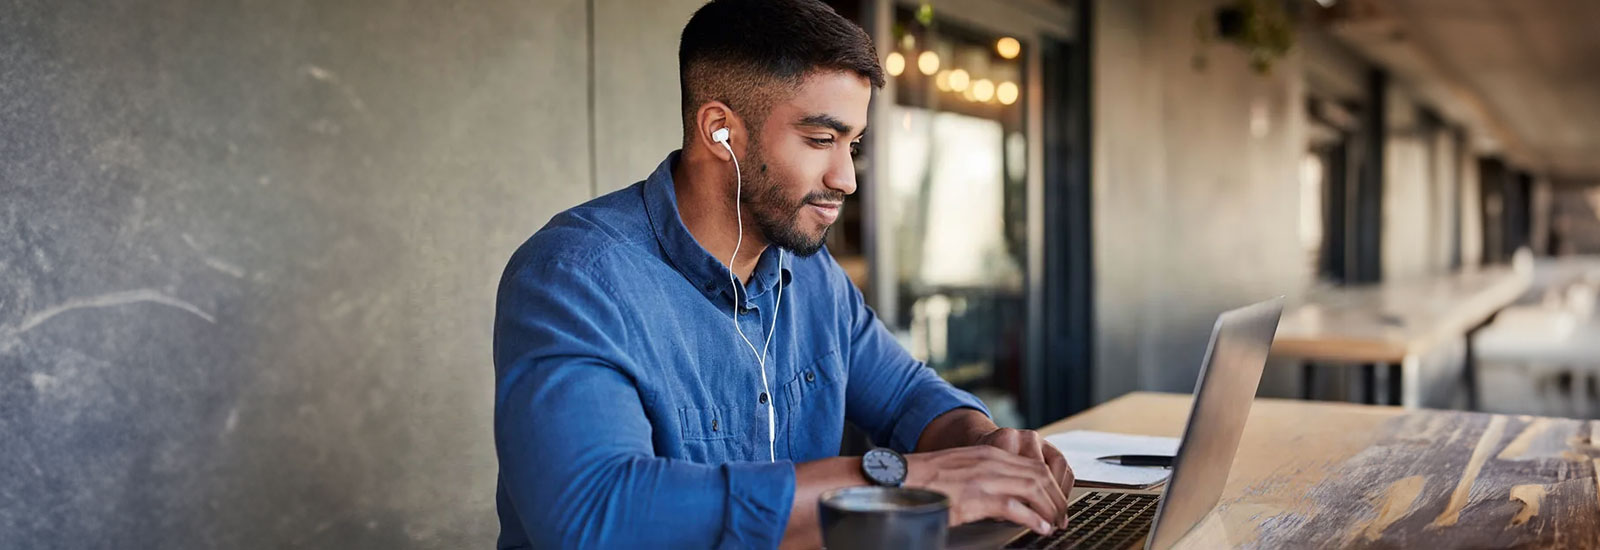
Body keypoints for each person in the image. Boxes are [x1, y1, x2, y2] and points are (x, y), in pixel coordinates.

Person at [492, 1, 1072, 547]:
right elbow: (595, 515)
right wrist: (893, 480)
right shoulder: (574, 277)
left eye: (854, 143)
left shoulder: (812, 274)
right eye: (822, 139)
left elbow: (906, 397)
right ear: (720, 129)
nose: (846, 178)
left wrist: (986, 448)